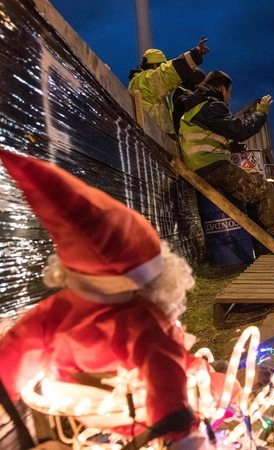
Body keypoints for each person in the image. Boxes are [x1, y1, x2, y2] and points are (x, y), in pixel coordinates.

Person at [0, 149, 237, 449]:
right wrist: (184, 436)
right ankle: (234, 388)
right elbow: (165, 381)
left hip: (83, 414)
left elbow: (12, 357)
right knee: (219, 384)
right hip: (137, 417)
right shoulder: (140, 320)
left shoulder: (53, 310)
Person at [179, 70, 274, 254]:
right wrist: (261, 112)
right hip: (212, 167)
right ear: (222, 88)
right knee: (266, 189)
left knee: (254, 181)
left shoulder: (196, 107)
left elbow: (205, 139)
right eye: (230, 93)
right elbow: (241, 129)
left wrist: (231, 147)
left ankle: (262, 245)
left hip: (203, 165)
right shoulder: (211, 105)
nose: (229, 98)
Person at [128, 37, 209, 137]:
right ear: (154, 66)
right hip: (152, 140)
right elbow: (166, 75)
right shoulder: (142, 82)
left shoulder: (150, 88)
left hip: (158, 141)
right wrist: (193, 56)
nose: (162, 69)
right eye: (161, 66)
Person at [171, 67, 206, 135]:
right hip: (184, 134)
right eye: (202, 84)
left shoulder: (179, 92)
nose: (204, 88)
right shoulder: (185, 96)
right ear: (195, 82)